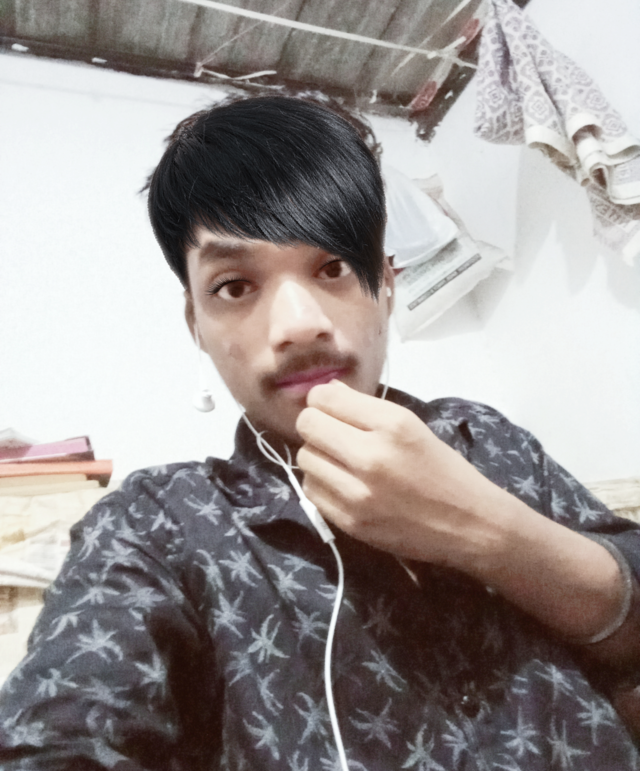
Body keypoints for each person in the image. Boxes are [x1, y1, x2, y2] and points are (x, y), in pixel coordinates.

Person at [1, 95, 639, 770]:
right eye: (234, 286)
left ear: (386, 286)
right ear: (196, 325)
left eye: (333, 266)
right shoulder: (155, 525)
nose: (299, 324)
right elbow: (59, 736)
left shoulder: (487, 440)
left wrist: (490, 532)